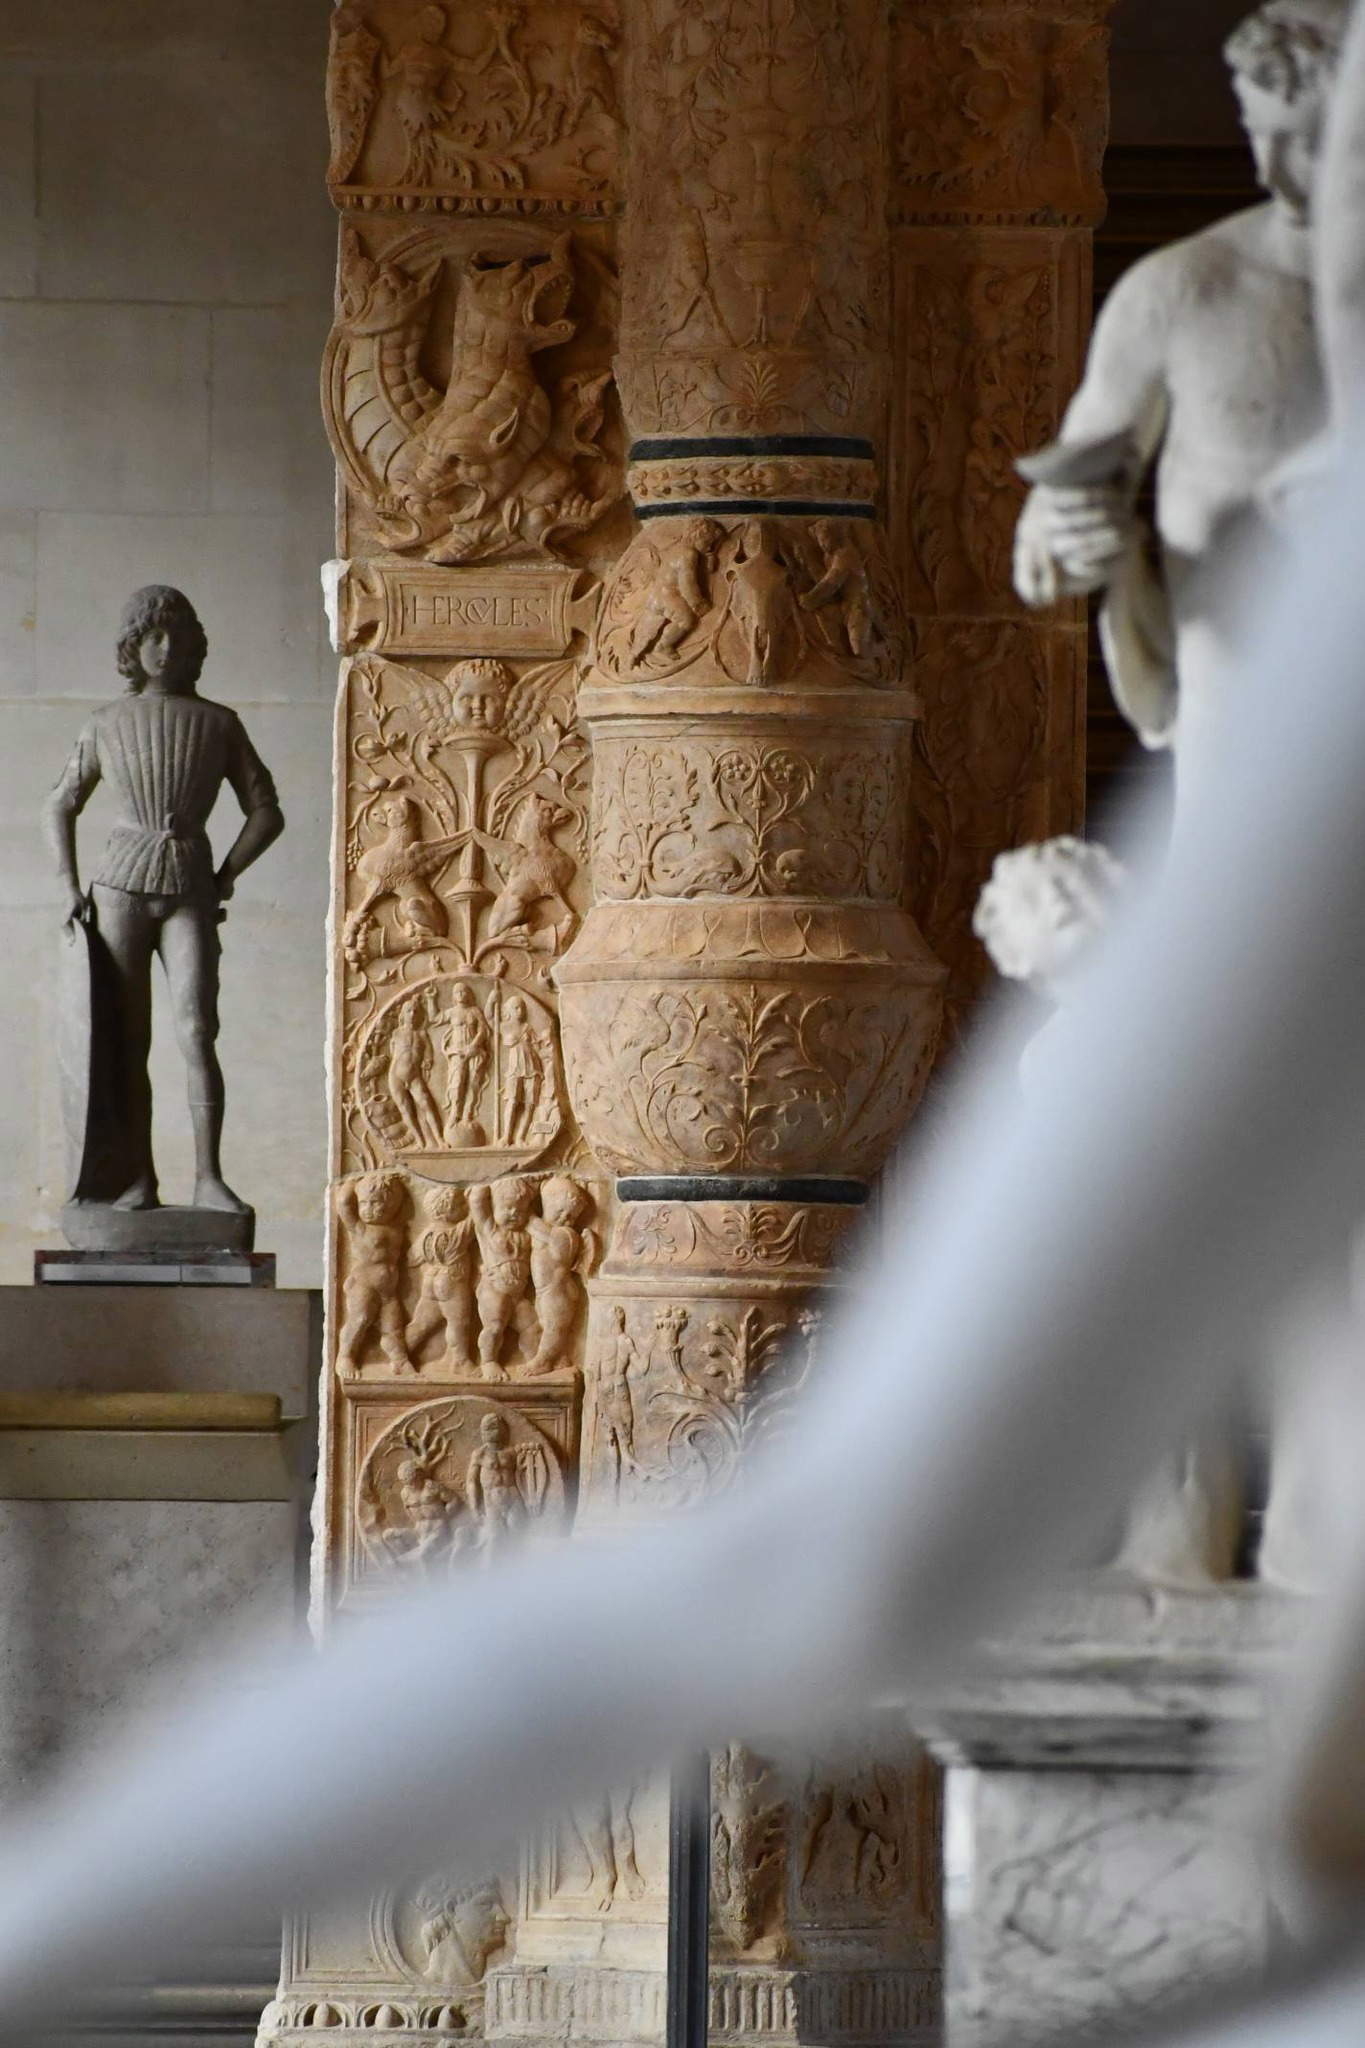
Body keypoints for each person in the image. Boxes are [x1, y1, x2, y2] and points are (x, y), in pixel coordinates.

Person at [1014, 0, 1345, 811]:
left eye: (1310, 140)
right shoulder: (1186, 291)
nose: (1273, 168)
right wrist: (1067, 532)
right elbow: (1055, 514)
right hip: (1243, 717)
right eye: (1254, 129)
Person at [43, 585, 283, 1214]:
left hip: (189, 887)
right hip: (118, 886)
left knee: (198, 1030)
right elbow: (60, 803)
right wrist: (68, 887)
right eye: (152, 635)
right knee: (128, 1040)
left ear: (193, 647)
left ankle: (209, 1178)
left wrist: (227, 874)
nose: (165, 647)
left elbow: (266, 811)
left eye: (176, 636)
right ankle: (137, 1179)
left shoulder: (218, 722)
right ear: (133, 645)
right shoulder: (104, 722)